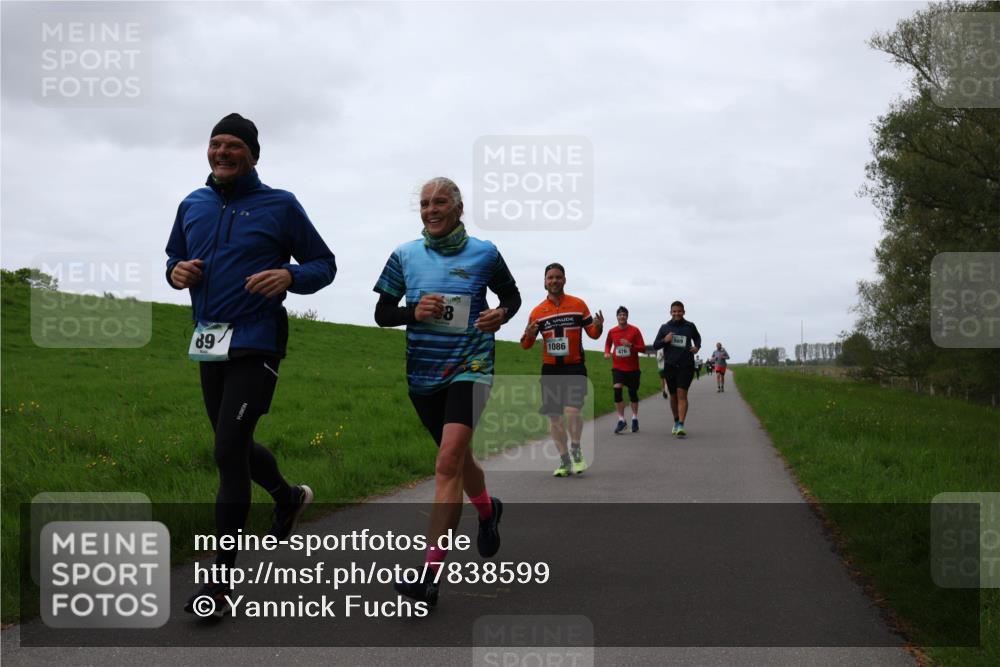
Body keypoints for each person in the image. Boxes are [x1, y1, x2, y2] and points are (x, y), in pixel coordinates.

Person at [167, 113, 337, 615]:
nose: (222, 152)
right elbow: (173, 257)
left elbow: (324, 264)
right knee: (233, 446)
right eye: (215, 143)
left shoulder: (280, 204)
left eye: (233, 145)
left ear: (253, 155)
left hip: (257, 341)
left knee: (227, 449)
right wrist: (176, 272)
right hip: (209, 340)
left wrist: (290, 276)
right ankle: (287, 496)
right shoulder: (192, 204)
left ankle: (218, 586)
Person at [374, 177, 521, 606]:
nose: (430, 210)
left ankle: (429, 576)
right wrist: (412, 311)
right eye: (424, 204)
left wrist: (500, 314)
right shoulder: (404, 255)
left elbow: (510, 296)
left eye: (439, 202)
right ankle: (488, 510)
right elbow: (382, 313)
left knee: (446, 461)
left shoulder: (485, 253)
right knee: (457, 459)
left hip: (472, 366)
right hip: (423, 374)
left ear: (458, 208)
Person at [521, 263, 603, 476]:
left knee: (573, 411)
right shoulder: (537, 312)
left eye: (558, 277)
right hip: (550, 370)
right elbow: (526, 344)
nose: (554, 281)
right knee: (554, 417)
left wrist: (599, 325)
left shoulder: (578, 305)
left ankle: (576, 449)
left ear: (564, 280)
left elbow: (593, 334)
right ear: (544, 282)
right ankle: (564, 460)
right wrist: (529, 334)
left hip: (574, 367)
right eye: (550, 278)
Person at [652, 301, 702, 437]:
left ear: (683, 312)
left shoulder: (690, 326)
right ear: (670, 312)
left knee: (682, 393)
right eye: (674, 311)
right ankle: (675, 420)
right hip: (670, 366)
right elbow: (656, 345)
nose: (677, 313)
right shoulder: (665, 327)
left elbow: (697, 337)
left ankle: (681, 424)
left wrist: (697, 347)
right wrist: (665, 340)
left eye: (679, 311)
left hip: (686, 365)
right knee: (673, 396)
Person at [603, 306, 646, 433]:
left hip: (633, 368)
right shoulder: (612, 331)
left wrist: (630, 345)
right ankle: (621, 420)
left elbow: (643, 348)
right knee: (617, 390)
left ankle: (634, 418)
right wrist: (607, 352)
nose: (622, 316)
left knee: (633, 394)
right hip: (618, 367)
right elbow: (608, 344)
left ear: (627, 316)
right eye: (620, 314)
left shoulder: (635, 330)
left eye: (624, 314)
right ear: (617, 317)